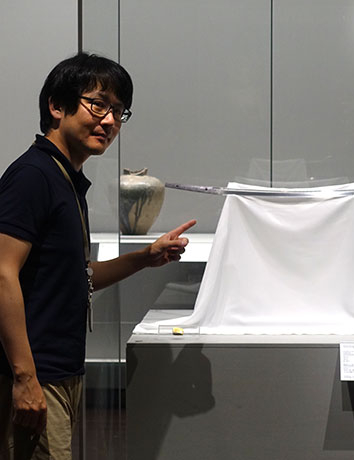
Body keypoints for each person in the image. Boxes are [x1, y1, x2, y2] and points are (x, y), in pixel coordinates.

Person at [0, 52, 196, 459]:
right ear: (57, 106)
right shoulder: (33, 176)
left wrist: (146, 257)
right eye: (97, 105)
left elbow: (76, 275)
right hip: (38, 373)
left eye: (118, 112)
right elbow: (3, 274)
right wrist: (24, 377)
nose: (109, 121)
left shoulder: (65, 178)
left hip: (59, 372)